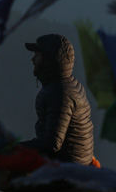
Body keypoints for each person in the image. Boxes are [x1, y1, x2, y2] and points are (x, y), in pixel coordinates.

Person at [21, 34, 97, 166]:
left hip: (67, 169)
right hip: (75, 162)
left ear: (49, 59)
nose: (32, 59)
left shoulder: (60, 93)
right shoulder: (66, 85)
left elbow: (53, 143)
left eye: (37, 55)